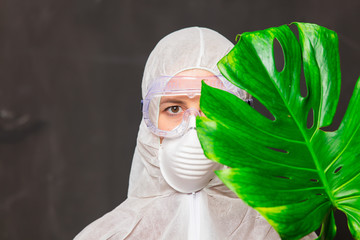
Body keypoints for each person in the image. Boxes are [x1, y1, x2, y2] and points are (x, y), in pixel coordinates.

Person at [75, 27, 316, 240]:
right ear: (149, 120)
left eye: (211, 107)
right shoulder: (110, 235)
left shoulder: (282, 230)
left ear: (239, 116)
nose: (193, 126)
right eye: (174, 108)